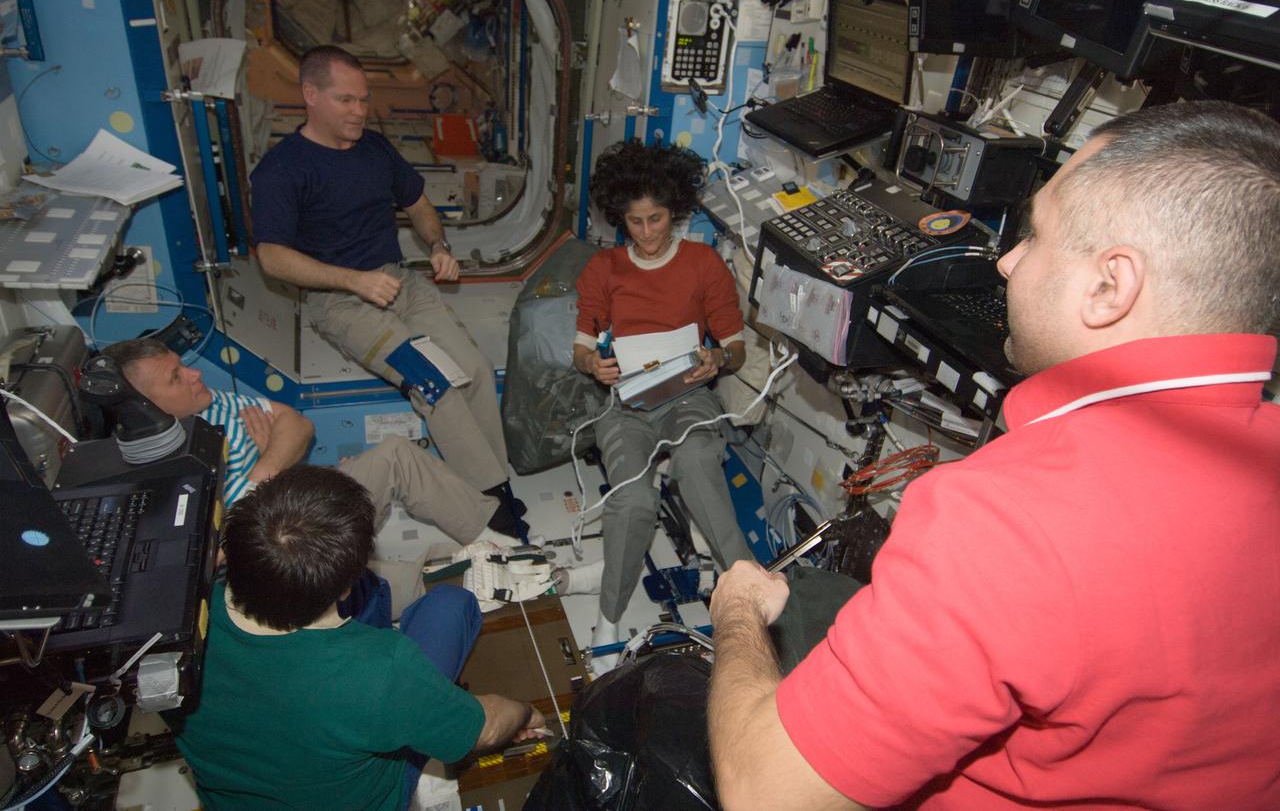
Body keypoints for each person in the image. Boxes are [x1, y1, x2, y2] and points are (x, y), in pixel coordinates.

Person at [707, 100, 1280, 810]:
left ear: (1110, 286)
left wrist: (735, 613)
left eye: (1035, 236)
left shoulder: (1004, 519)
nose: (1007, 260)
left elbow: (763, 795)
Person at [249, 44, 523, 525]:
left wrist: (437, 246)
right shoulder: (283, 169)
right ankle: (490, 509)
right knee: (433, 381)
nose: (360, 111)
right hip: (340, 301)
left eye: (364, 99)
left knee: (476, 369)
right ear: (310, 95)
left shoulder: (374, 149)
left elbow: (418, 203)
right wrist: (353, 281)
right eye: (346, 101)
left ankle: (494, 479)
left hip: (400, 282)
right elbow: (271, 257)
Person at [170, 465, 545, 811]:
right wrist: (526, 712)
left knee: (378, 591)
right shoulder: (381, 673)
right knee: (451, 604)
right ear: (344, 588)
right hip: (363, 793)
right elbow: (486, 728)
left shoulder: (170, 629)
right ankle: (422, 777)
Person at [100, 337, 518, 613]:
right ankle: (489, 587)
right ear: (145, 409)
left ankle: (499, 542)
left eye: (182, 365)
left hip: (301, 502)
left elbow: (297, 425)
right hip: (287, 562)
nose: (195, 374)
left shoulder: (210, 405)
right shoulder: (152, 486)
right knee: (392, 586)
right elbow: (218, 560)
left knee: (397, 455)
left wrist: (262, 470)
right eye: (176, 377)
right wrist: (270, 477)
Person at [573, 139, 755, 657]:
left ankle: (746, 594)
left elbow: (736, 348)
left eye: (657, 219)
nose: (648, 233)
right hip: (625, 401)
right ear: (620, 220)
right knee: (633, 497)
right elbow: (582, 348)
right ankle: (608, 621)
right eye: (635, 222)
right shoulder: (604, 269)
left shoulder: (702, 264)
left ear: (674, 214)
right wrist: (594, 365)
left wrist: (717, 360)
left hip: (688, 396)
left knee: (698, 461)